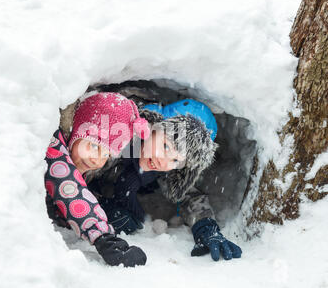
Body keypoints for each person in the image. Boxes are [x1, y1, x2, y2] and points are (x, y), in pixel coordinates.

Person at [87, 98, 242, 262]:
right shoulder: (117, 138)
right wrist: (95, 205)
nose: (164, 161)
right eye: (166, 146)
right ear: (154, 125)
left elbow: (189, 196)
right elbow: (74, 173)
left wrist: (206, 227)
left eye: (176, 161)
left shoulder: (161, 166)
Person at [44, 92, 150, 267]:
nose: (97, 159)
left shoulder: (79, 155)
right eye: (93, 145)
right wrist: (106, 239)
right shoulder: (54, 146)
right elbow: (69, 187)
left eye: (106, 153)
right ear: (76, 130)